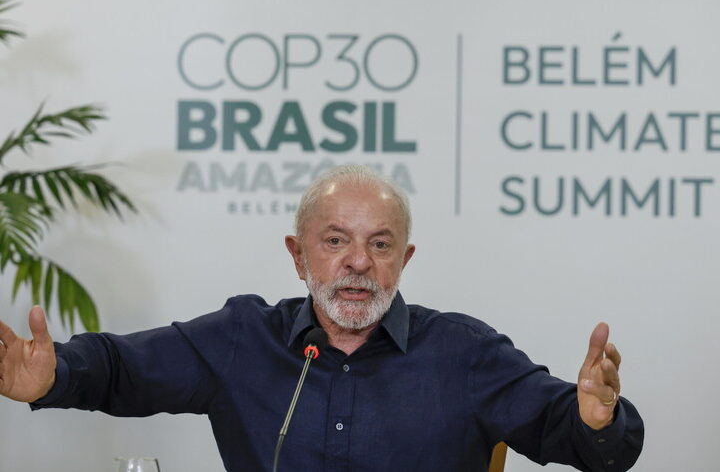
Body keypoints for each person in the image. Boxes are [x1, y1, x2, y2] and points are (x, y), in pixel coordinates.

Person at [0, 165, 643, 471]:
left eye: (380, 245)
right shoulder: (242, 338)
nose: (358, 262)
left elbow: (575, 433)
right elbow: (122, 368)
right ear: (298, 255)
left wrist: (596, 420)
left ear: (403, 261)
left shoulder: (464, 353)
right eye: (335, 241)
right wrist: (53, 376)